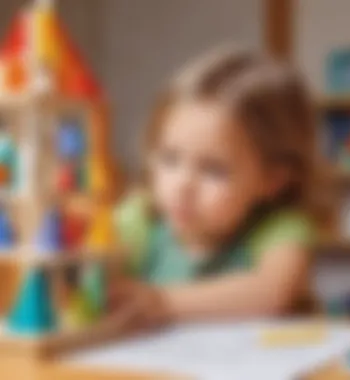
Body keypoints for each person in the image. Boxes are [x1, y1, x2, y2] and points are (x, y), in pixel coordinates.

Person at [109, 48, 325, 332]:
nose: (183, 185)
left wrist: (162, 301)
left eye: (213, 170)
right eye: (169, 158)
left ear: (272, 180)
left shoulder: (280, 229)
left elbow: (274, 292)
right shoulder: (141, 219)